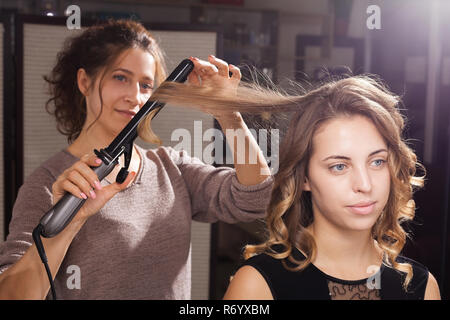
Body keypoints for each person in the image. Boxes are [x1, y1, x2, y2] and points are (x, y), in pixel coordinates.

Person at [0, 19, 273, 299]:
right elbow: (12, 295)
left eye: (146, 85)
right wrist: (71, 221)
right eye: (121, 78)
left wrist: (228, 113)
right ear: (85, 81)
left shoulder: (171, 169)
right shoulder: (49, 185)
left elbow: (257, 198)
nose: (135, 96)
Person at [151, 74, 442, 300]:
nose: (364, 185)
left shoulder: (420, 285)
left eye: (377, 162)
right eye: (339, 166)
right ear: (303, 177)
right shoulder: (257, 285)